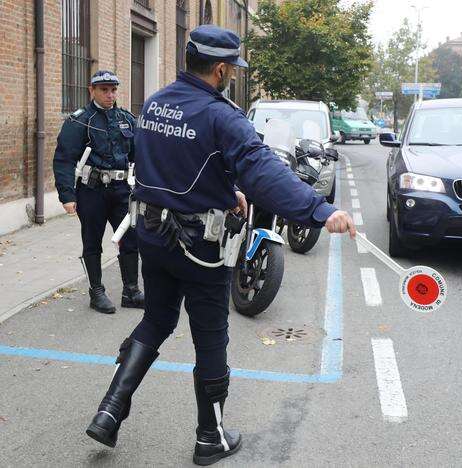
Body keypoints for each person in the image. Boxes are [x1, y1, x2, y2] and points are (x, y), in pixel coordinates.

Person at [85, 25, 356, 466]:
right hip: (199, 248)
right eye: (232, 70)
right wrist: (320, 210)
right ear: (221, 68)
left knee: (156, 320)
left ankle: (109, 411)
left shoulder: (154, 104)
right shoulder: (222, 116)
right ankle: (210, 437)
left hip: (152, 237)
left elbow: (166, 162)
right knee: (210, 340)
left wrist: (222, 189)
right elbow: (262, 170)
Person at [53, 71, 145, 314]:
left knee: (130, 240)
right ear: (91, 90)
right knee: (92, 242)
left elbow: (140, 155)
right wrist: (67, 196)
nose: (110, 94)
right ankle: (96, 292)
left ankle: (131, 291)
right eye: (104, 89)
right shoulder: (80, 120)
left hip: (121, 190)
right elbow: (63, 159)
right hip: (91, 191)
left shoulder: (126, 119)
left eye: (113, 89)